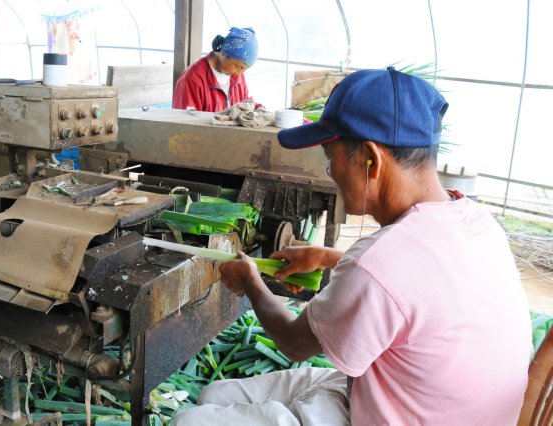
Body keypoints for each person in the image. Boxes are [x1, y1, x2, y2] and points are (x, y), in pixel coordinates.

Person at [173, 68, 532, 425]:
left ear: (370, 159)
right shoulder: (476, 220)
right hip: (425, 401)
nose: (330, 172)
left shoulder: (380, 264)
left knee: (189, 422)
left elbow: (296, 345)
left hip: (395, 415)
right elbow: (420, 285)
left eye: (331, 157)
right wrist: (328, 257)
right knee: (214, 396)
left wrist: (251, 281)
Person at [172, 27, 258, 112]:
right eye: (238, 66)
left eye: (244, 69)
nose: (239, 73)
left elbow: (244, 102)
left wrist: (259, 109)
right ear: (224, 54)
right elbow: (185, 120)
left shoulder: (237, 77)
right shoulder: (192, 79)